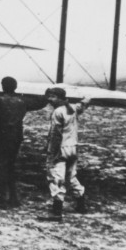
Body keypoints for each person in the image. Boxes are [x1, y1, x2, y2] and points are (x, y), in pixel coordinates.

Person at [43, 87, 92, 220]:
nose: (49, 99)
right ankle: (81, 204)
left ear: (59, 98)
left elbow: (55, 134)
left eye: (52, 97)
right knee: (71, 176)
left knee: (56, 177)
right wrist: (85, 95)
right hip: (73, 147)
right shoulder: (73, 108)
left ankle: (57, 212)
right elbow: (85, 102)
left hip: (60, 148)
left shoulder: (58, 112)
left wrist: (52, 151)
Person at [0, 77, 28, 209]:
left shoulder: (0, 102)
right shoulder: (21, 102)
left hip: (1, 138)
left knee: (0, 167)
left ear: (3, 86)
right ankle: (14, 197)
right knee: (11, 166)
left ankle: (2, 198)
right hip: (15, 138)